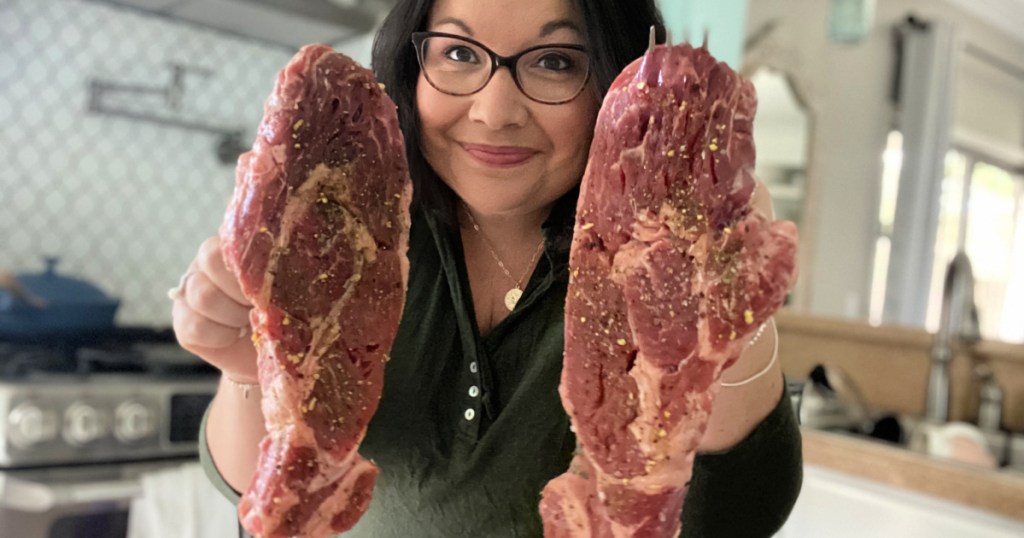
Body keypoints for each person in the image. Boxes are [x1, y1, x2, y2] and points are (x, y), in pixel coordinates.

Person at [170, 0, 803, 536]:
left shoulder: (657, 261)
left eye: (555, 62)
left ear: (614, 76)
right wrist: (248, 368)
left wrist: (726, 329)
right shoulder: (353, 235)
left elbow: (737, 512)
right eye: (460, 54)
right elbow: (266, 494)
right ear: (412, 64)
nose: (494, 111)